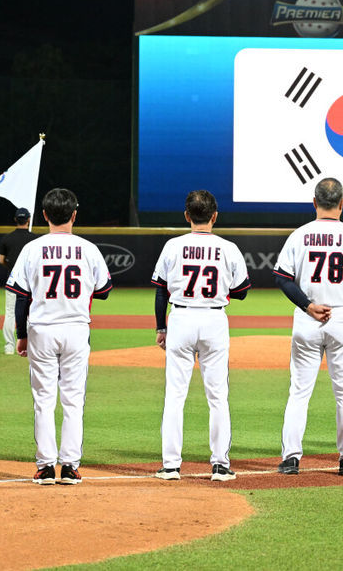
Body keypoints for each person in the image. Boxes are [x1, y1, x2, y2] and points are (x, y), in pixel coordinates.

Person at [274, 178, 343, 476]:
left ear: (314, 202)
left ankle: (290, 459)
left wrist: (308, 305)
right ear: (342, 204)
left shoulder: (300, 235)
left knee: (299, 392)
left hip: (307, 317)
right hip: (342, 317)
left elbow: (281, 278)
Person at [6, 188, 112, 485]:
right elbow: (103, 291)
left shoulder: (32, 248)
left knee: (43, 399)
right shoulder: (88, 249)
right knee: (73, 400)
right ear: (74, 215)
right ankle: (69, 466)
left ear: (44, 215)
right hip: (76, 329)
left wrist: (20, 334)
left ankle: (45, 466)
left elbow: (20, 296)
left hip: (41, 329)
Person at [151, 190, 251, 482]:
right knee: (218, 396)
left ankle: (171, 466)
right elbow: (242, 291)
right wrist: (222, 288)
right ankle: (220, 465)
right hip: (214, 319)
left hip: (180, 317)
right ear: (215, 216)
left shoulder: (173, 246)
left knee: (175, 396)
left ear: (186, 216)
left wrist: (161, 327)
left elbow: (160, 289)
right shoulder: (228, 248)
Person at [0, 208, 38, 354]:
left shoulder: (7, 238)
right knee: (29, 313)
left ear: (15, 219)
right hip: (30, 284)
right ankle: (29, 344)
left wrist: (12, 268)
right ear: (28, 220)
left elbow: (1, 260)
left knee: (9, 313)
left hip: (12, 281)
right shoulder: (35, 239)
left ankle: (9, 346)